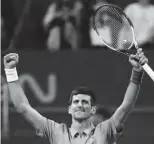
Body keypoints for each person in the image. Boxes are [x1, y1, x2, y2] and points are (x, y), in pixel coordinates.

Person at [3, 49, 148, 144]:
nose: (80, 104)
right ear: (69, 109)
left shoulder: (105, 130)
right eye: (76, 102)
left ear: (92, 110)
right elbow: (23, 107)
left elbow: (126, 105)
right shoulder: (56, 131)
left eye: (85, 102)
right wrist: (10, 72)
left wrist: (137, 72)